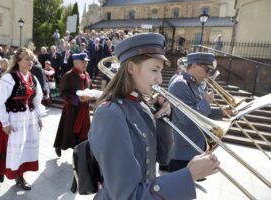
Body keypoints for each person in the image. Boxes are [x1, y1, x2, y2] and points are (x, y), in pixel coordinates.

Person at [88, 33, 220, 199]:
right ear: (130, 68)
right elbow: (127, 196)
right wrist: (189, 175)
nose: (159, 79)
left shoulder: (141, 105)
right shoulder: (110, 114)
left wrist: (163, 120)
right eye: (154, 70)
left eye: (161, 71)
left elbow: (163, 158)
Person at [0, 47, 43, 190]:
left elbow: (37, 100)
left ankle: (20, 176)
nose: (30, 62)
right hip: (12, 119)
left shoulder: (33, 78)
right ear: (18, 61)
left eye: (31, 59)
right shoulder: (9, 78)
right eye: (27, 59)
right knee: (7, 148)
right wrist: (5, 122)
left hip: (28, 119)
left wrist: (38, 117)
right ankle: (4, 171)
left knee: (24, 148)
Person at [160, 52, 231, 174]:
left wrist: (221, 112)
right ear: (193, 66)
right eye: (207, 69)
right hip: (182, 151)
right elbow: (185, 118)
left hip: (193, 147)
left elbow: (197, 112)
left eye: (211, 71)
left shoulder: (195, 85)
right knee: (180, 190)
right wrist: (205, 102)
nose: (208, 74)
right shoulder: (180, 84)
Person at [53, 52, 92, 157]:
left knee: (84, 131)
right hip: (72, 109)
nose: (85, 64)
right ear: (75, 62)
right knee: (67, 130)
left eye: (86, 62)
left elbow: (89, 89)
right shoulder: (68, 75)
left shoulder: (87, 74)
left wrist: (91, 96)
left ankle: (79, 153)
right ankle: (59, 145)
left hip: (84, 109)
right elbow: (63, 93)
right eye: (83, 62)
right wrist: (76, 99)